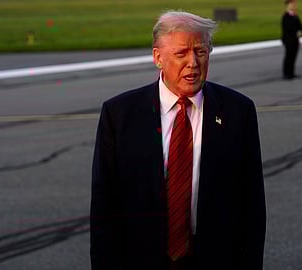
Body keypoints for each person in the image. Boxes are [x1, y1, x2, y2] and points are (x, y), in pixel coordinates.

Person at [90, 10, 266, 270]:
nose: (193, 63)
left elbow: (252, 207)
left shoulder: (238, 111)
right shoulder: (118, 115)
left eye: (201, 52)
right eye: (181, 53)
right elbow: (105, 210)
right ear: (158, 57)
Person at [281, 0, 302, 79]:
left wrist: (300, 31)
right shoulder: (286, 16)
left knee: (293, 56)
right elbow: (287, 28)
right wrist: (296, 32)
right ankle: (286, 73)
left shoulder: (295, 15)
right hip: (289, 40)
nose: (294, 6)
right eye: (292, 4)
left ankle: (291, 73)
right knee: (288, 56)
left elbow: (300, 26)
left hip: (295, 39)